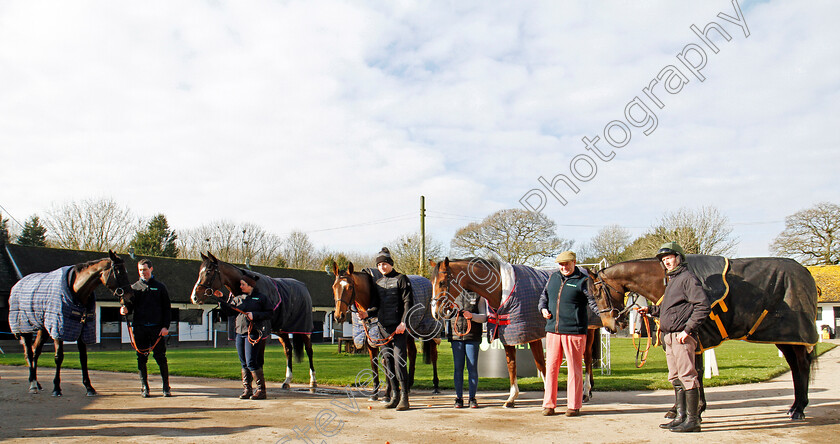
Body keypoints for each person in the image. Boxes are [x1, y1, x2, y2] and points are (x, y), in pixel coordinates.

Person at [638, 242, 710, 433]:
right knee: (675, 377)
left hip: (681, 336)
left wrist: (688, 330)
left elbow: (702, 306)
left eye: (669, 257)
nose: (666, 262)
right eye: (664, 259)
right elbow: (670, 309)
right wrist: (652, 310)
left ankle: (693, 420)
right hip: (669, 337)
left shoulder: (688, 279)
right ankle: (681, 416)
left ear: (679, 258)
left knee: (687, 376)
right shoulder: (672, 280)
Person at [538, 250, 597, 417]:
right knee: (551, 368)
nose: (563, 267)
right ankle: (549, 405)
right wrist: (542, 309)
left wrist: (605, 316)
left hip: (574, 332)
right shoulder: (553, 278)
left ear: (574, 262)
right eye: (561, 264)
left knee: (574, 369)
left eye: (566, 264)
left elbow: (593, 303)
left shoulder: (584, 281)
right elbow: (544, 297)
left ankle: (574, 405)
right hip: (553, 331)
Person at [359, 247, 412, 411]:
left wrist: (404, 322)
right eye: (379, 264)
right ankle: (394, 395)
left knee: (399, 361)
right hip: (383, 329)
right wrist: (366, 314)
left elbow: (408, 303)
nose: (382, 266)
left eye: (385, 263)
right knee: (388, 362)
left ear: (390, 264)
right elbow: (376, 306)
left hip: (398, 329)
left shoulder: (402, 279)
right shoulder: (378, 283)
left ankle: (405, 397)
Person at [120, 259, 172, 398]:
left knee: (161, 358)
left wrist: (165, 327)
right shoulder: (134, 288)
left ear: (151, 269)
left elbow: (167, 309)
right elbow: (129, 308)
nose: (143, 272)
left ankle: (166, 387)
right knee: (141, 358)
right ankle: (144, 387)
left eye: (145, 269)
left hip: (157, 329)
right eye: (140, 270)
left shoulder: (160, 287)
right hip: (140, 328)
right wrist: (124, 310)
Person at [220, 274, 273, 400]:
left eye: (243, 284)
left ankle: (261, 390)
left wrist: (255, 315)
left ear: (250, 285)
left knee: (251, 362)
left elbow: (270, 313)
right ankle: (247, 389)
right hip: (240, 333)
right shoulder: (238, 298)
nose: (240, 286)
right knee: (243, 362)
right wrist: (221, 299)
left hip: (253, 333)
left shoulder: (261, 298)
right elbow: (229, 312)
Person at [448, 290, 488, 409]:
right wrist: (449, 310)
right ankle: (459, 398)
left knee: (472, 368)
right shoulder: (452, 294)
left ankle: (472, 398)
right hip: (456, 336)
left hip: (472, 336)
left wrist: (472, 316)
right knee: (458, 368)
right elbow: (444, 314)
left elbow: (484, 317)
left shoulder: (478, 295)